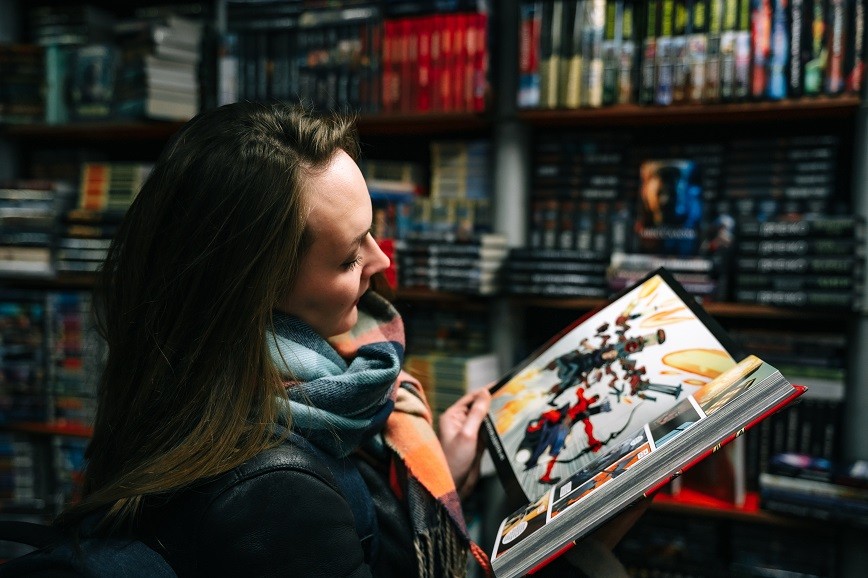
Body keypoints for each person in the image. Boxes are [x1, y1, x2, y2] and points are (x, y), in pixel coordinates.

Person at [53, 101, 640, 577]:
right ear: (253, 290)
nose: (381, 262)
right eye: (346, 257)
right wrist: (586, 548)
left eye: (372, 234)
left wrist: (435, 471)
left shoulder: (204, 390)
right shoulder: (271, 494)